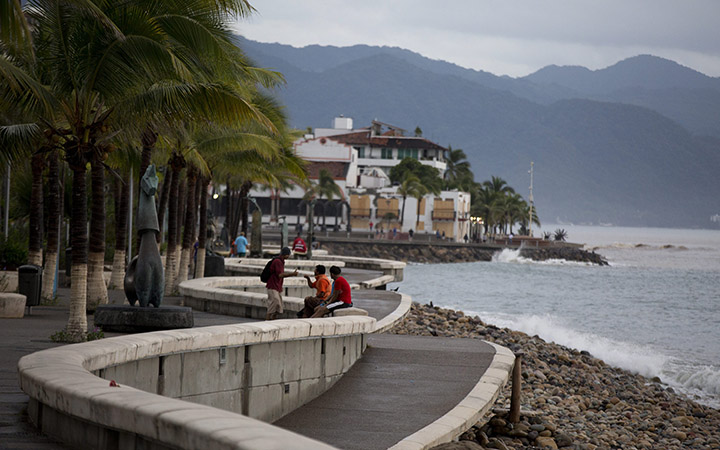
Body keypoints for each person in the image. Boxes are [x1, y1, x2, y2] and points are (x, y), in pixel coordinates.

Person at [265, 247, 298, 320]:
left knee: (279, 306)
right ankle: (267, 320)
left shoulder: (281, 261)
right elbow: (280, 275)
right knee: (274, 303)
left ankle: (273, 319)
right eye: (288, 255)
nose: (288, 256)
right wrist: (292, 274)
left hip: (277, 286)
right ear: (285, 254)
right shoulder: (278, 262)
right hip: (272, 285)